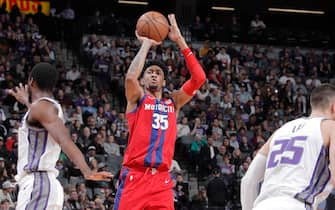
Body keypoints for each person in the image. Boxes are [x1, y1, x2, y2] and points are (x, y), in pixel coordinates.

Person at [114, 14, 206, 210]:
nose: (154, 74)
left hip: (162, 181)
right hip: (135, 176)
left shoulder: (173, 101)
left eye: (158, 73)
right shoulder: (137, 97)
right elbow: (130, 78)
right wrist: (146, 44)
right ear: (143, 79)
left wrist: (180, 40)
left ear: (164, 81)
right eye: (150, 72)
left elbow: (199, 78)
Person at [8, 62, 112, 209]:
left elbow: (65, 141)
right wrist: (26, 101)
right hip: (42, 186)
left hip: (39, 184)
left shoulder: (44, 107)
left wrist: (87, 172)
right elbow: (39, 116)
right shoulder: (45, 108)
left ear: (31, 81)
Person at [241, 83, 335, 210]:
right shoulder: (331, 128)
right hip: (296, 204)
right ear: (333, 107)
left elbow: (248, 181)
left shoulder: (281, 130)